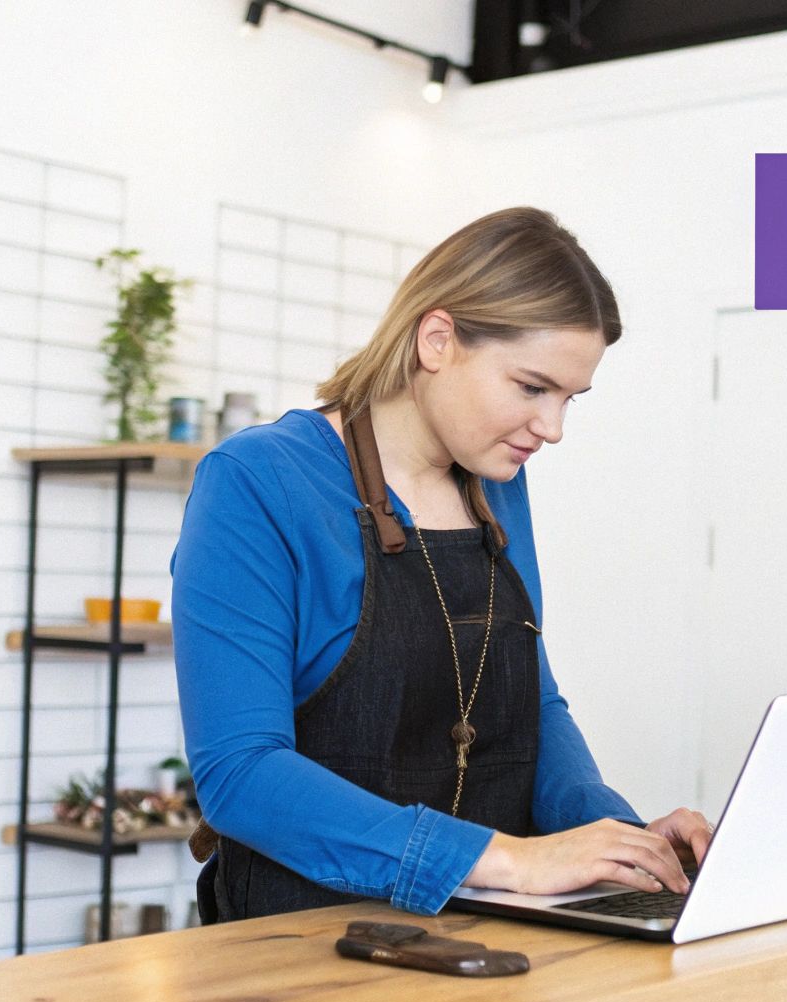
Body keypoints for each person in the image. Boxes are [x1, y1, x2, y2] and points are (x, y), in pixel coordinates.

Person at [173, 207, 713, 923]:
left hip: (487, 933)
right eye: (531, 388)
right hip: (300, 942)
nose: (552, 429)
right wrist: (510, 859)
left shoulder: (497, 486)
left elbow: (531, 709)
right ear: (437, 340)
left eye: (568, 399)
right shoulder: (257, 482)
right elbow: (240, 775)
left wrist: (618, 840)